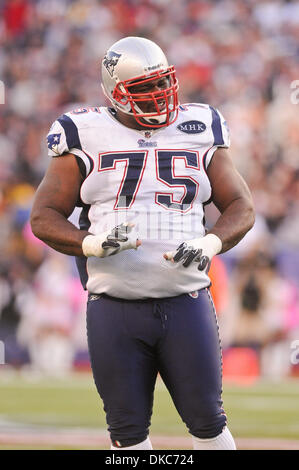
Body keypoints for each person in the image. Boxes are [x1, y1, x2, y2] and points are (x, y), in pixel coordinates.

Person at [30, 36, 255, 450]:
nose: (159, 95)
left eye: (162, 83)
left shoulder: (200, 124)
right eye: (145, 87)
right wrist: (91, 244)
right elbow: (43, 217)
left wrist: (210, 243)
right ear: (117, 94)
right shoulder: (82, 132)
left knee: (208, 420)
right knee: (128, 433)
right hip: (113, 306)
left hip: (184, 299)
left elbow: (241, 205)